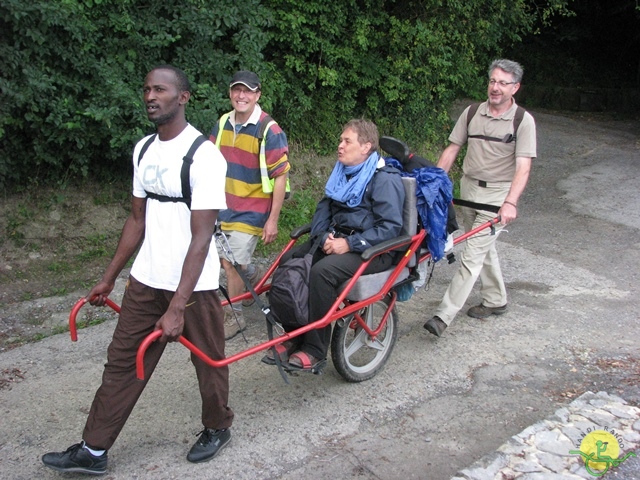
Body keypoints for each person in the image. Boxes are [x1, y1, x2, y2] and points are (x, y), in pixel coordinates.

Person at [41, 65, 234, 475]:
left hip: (193, 286)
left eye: (160, 89)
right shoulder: (144, 149)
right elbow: (136, 221)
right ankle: (93, 451)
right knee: (122, 362)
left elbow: (201, 239)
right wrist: (110, 276)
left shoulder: (205, 157)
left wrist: (178, 306)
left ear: (182, 97)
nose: (151, 96)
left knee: (209, 362)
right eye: (147, 89)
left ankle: (217, 427)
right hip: (146, 280)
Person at [266, 119, 405, 371]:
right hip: (338, 240)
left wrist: (349, 243)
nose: (340, 146)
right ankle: (295, 334)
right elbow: (324, 210)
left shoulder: (384, 179)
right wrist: (324, 237)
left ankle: (315, 349)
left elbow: (390, 228)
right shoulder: (342, 173)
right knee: (289, 262)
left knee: (322, 273)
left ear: (366, 147)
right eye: (340, 140)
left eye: (346, 141)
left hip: (375, 249)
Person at [424, 59, 537, 337]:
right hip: (468, 191)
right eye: (492, 81)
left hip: (497, 197)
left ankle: (443, 315)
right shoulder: (472, 112)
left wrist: (510, 202)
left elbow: (523, 166)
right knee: (484, 246)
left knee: (472, 255)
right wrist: (436, 185)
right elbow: (452, 149)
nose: (495, 87)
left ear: (515, 88)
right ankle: (496, 300)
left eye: (502, 83)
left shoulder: (523, 121)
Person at [210, 70, 290, 340]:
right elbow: (207, 160)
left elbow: (280, 175)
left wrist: (273, 219)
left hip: (253, 208)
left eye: (248, 91)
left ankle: (234, 318)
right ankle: (252, 276)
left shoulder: (269, 129)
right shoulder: (222, 122)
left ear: (257, 95)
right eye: (236, 90)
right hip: (223, 206)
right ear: (231, 93)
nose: (241, 95)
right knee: (225, 261)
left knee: (231, 264)